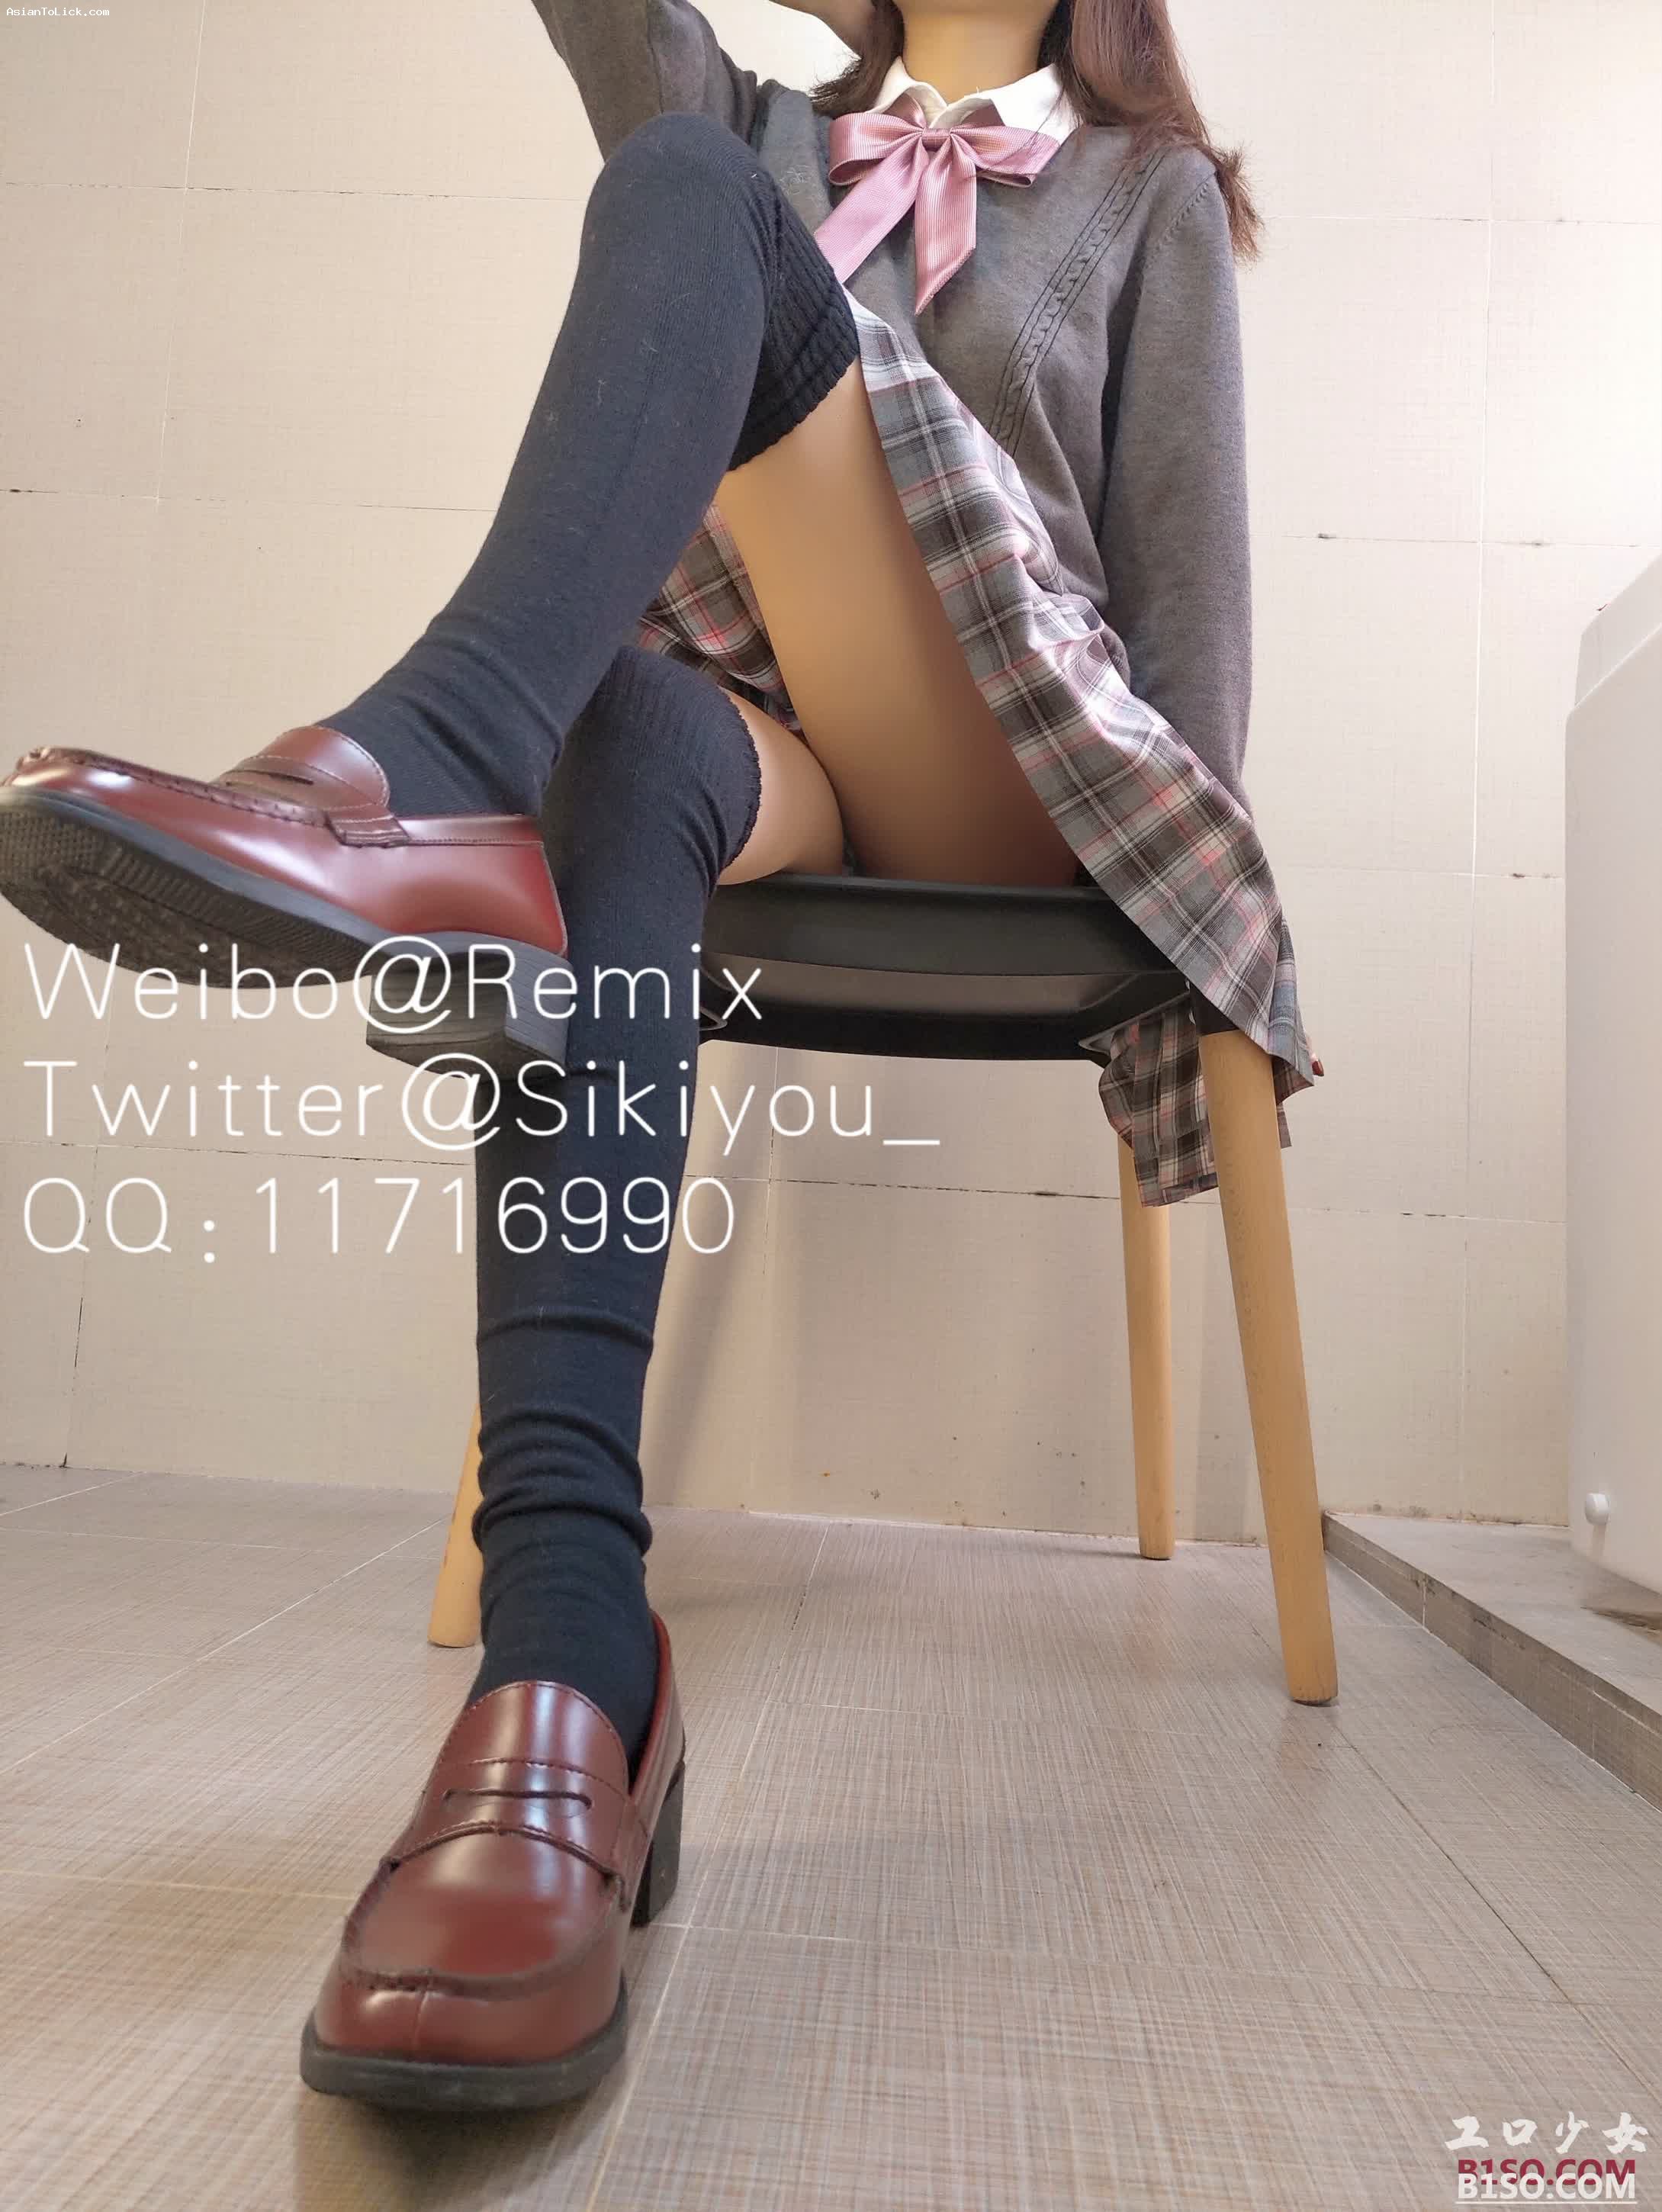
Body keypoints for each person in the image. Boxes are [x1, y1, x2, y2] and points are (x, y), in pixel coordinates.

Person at [0, 0, 1315, 2113]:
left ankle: (408, 775)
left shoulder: (1142, 190)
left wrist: (1184, 894)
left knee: (701, 204)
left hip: (1016, 771)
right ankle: (567, 1651)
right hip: (776, 743)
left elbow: (1195, 625)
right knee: (616, 697)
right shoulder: (772, 122)